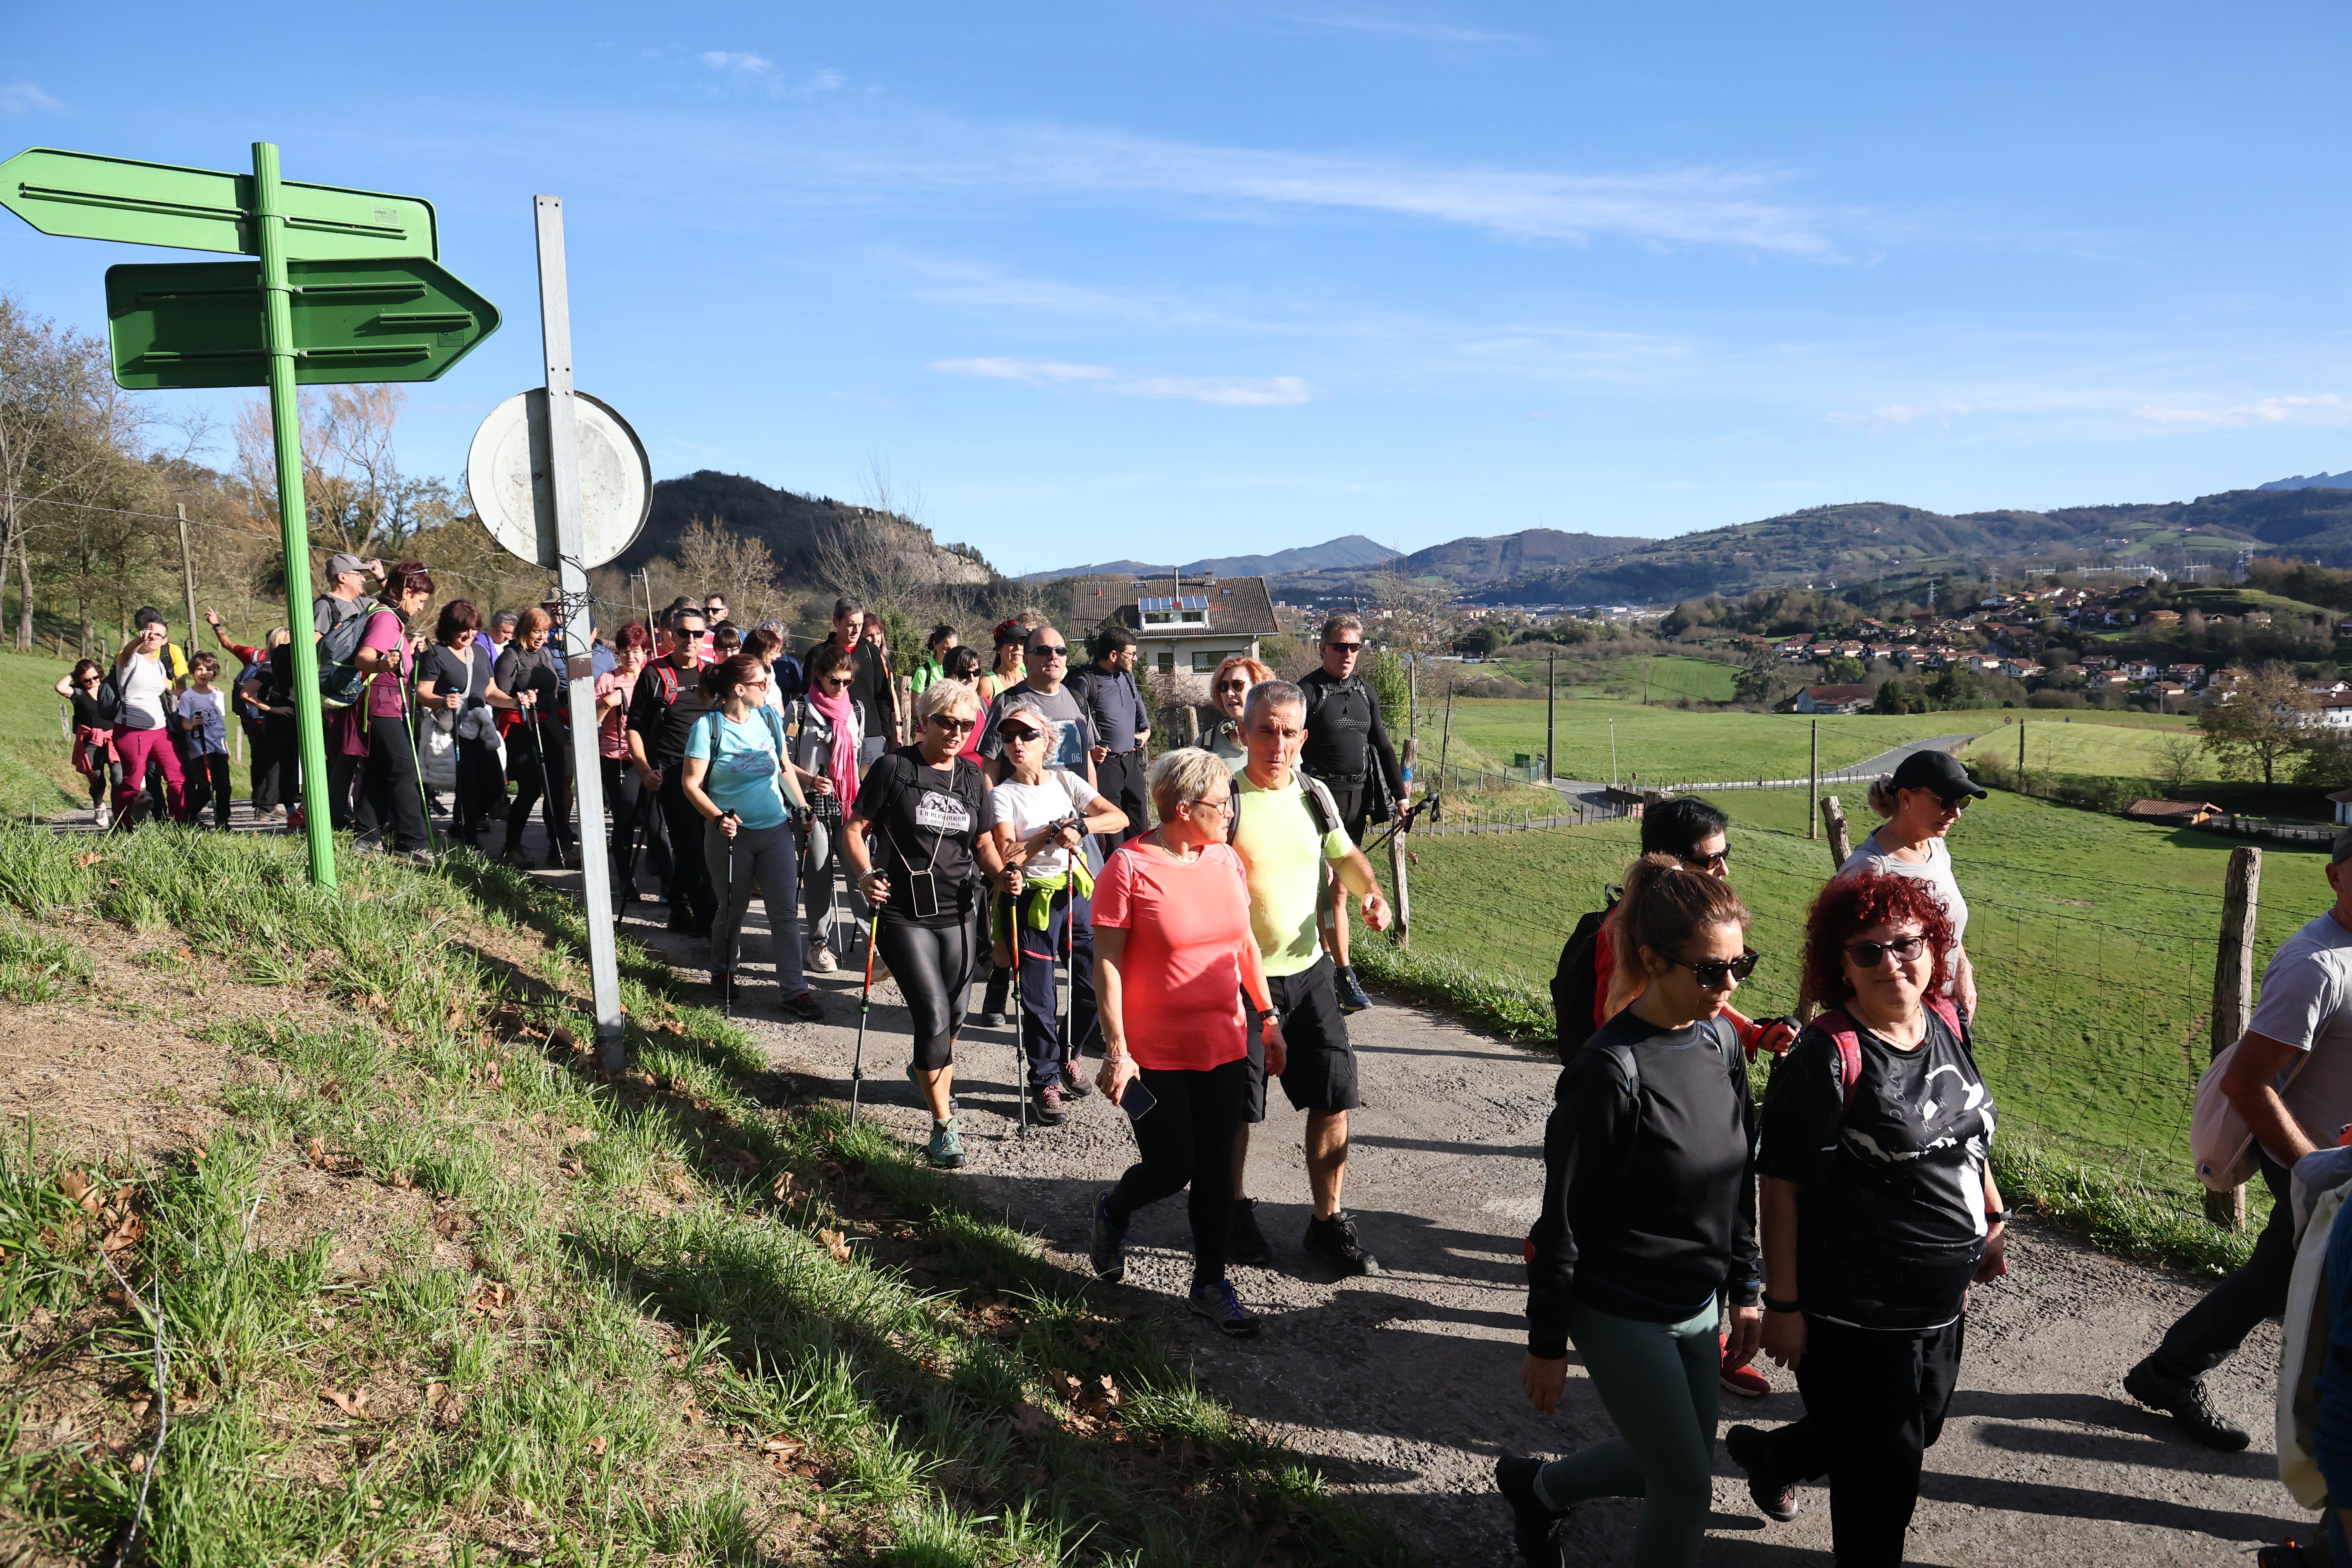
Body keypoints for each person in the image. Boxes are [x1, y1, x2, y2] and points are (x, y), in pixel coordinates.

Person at [1726, 871, 2007, 1564]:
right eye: (1867, 952)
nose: (1892, 963)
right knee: (1884, 1476)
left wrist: (1993, 1218)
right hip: (1857, 1308)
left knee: (1919, 1426)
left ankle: (1776, 1453)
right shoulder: (1828, 1056)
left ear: (1934, 947)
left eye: (1906, 944)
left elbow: (1967, 1129)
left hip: (1942, 1297)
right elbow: (1780, 1187)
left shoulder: (1943, 1018)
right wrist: (1782, 1305)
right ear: (1840, 966)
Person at [1498, 851, 1765, 1568]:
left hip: (1699, 1300)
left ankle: (1539, 1490)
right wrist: (1547, 1341)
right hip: (1621, 1306)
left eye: (1743, 966)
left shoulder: (1722, 1042)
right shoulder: (1609, 1072)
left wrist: (1747, 1287)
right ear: (1653, 959)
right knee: (1684, 1487)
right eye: (1712, 970)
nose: (1730, 984)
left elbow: (1740, 1179)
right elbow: (1562, 1220)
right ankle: (1540, 1491)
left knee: (1669, 1461)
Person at [2128, 826, 2352, 1451]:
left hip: (2340, 1161)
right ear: (2335, 876)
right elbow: (2249, 1084)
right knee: (2301, 1285)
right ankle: (2325, 1444)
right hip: (2318, 1160)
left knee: (2277, 1277)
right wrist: (2311, 1169)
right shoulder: (2318, 965)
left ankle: (2169, 1374)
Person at [1576, 796, 1796, 1402]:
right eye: (1710, 858)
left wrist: (1744, 1033)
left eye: (1727, 855)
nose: (1723, 869)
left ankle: (1709, 1341)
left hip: (1694, 1076)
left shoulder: (1703, 931)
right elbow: (1617, 1016)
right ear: (1671, 862)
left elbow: (1699, 1000)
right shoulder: (1626, 932)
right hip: (1644, 1100)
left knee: (1721, 1194)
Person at [1089, 747, 1284, 1336]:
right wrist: (1118, 1050)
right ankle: (1114, 1210)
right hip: (1155, 1056)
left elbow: (1244, 943)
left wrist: (1269, 1016)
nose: (1230, 815)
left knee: (1219, 1170)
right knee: (1172, 1166)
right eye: (1220, 805)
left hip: (1225, 1042)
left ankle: (1209, 1284)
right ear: (1182, 807)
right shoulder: (1127, 868)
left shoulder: (1224, 860)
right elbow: (1108, 967)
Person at [1226, 681, 1392, 1274]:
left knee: (1334, 1097)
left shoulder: (1314, 795)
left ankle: (1327, 1222)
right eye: (1265, 730)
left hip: (1308, 971)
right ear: (1242, 732)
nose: (1277, 743)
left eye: (1289, 731)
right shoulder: (1224, 799)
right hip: (1238, 981)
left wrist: (1371, 893)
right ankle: (1232, 1210)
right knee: (1236, 1110)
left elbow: (1343, 853)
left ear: (1303, 736)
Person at [842, 679, 1005, 1170]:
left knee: (955, 1016)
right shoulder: (896, 767)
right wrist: (867, 874)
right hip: (902, 911)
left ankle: (927, 1065)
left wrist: (1007, 875)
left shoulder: (975, 779)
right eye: (947, 722)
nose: (956, 731)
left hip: (959, 910)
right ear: (925, 721)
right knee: (933, 1015)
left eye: (966, 724)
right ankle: (943, 1127)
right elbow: (854, 829)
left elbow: (983, 845)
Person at [990, 706, 1129, 1124]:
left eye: (1027, 735)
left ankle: (1070, 1053)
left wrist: (1082, 827)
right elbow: (1007, 853)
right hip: (1033, 899)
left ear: (1045, 741)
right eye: (1009, 735)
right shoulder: (1003, 794)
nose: (1017, 743)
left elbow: (1117, 817)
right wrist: (1048, 834)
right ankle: (1045, 1079)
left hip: (1079, 892)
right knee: (1039, 998)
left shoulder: (1068, 781)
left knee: (1093, 986)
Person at [682, 652, 824, 1023]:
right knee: (733, 910)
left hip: (775, 829)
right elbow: (691, 784)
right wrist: (718, 818)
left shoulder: (768, 718)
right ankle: (724, 970)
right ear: (739, 689)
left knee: (785, 913)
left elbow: (781, 767)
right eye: (763, 684)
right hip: (731, 836)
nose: (769, 689)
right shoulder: (709, 727)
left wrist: (802, 807)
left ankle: (795, 991)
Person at [1297, 613, 1406, 1014]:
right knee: (1326, 886)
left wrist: (1401, 796)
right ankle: (1335, 974)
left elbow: (1383, 744)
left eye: (1354, 647)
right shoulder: (1307, 691)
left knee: (1340, 888)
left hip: (1357, 798)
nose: (1348, 654)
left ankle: (1331, 972)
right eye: (1340, 646)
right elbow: (1291, 746)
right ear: (1323, 648)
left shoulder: (1365, 691)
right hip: (1318, 799)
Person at [1839, 749, 1984, 1017]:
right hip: (1900, 1021)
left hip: (1947, 1012)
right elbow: (1846, 959)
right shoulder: (1871, 869)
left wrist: (1963, 972)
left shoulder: (1936, 849)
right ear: (1906, 797)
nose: (1956, 813)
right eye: (1946, 801)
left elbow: (1947, 923)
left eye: (1962, 802)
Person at [628, 606, 720, 935]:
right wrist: (644, 769)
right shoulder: (654, 674)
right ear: (671, 634)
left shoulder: (712, 675)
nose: (692, 640)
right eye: (685, 633)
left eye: (699, 634)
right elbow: (635, 726)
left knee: (703, 845)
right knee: (693, 848)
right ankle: (712, 925)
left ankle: (679, 908)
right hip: (670, 776)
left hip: (710, 774)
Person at [788, 640, 869, 973]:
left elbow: (860, 759)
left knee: (858, 871)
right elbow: (784, 763)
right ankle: (818, 944)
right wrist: (809, 781)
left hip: (847, 804)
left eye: (847, 681)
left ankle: (872, 944)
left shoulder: (857, 711)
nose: (840, 688)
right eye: (834, 680)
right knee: (819, 873)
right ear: (819, 676)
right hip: (811, 805)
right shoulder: (799, 710)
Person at [349, 562, 435, 858]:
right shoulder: (387, 619)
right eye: (421, 601)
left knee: (377, 770)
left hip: (379, 704)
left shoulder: (386, 615)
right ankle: (412, 844)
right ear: (407, 593)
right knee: (404, 770)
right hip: (381, 704)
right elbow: (364, 658)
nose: (422, 608)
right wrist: (382, 665)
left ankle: (367, 838)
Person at [488, 606, 574, 868]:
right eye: (537, 631)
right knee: (531, 790)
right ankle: (511, 848)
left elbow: (556, 689)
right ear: (525, 630)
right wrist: (519, 700)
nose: (542, 637)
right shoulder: (510, 657)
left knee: (557, 789)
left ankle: (559, 848)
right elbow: (498, 696)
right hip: (523, 730)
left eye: (546, 631)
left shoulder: (546, 654)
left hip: (551, 728)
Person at [976, 625, 1100, 791]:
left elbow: (1087, 761)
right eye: (1043, 650)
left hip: (1075, 813)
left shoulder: (1078, 700)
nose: (1054, 656)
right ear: (1026, 659)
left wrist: (1092, 807)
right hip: (1024, 811)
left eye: (1060, 650)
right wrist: (993, 812)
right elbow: (991, 768)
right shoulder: (1007, 701)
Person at [416, 600, 496, 847]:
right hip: (452, 730)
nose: (470, 634)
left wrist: (517, 702)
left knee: (494, 786)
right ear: (450, 627)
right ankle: (469, 841)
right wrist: (443, 701)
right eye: (464, 629)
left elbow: (491, 691)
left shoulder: (480, 652)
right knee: (468, 786)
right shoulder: (435, 655)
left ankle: (457, 830)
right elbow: (422, 692)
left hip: (480, 729)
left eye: (474, 629)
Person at [1069, 624, 1151, 856]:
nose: (1135, 659)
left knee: (1140, 828)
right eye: (1130, 654)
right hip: (1105, 767)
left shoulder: (1127, 675)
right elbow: (1074, 722)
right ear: (1113, 655)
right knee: (1112, 836)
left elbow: (1137, 702)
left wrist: (1146, 729)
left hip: (1131, 761)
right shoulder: (1085, 681)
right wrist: (1090, 749)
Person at [599, 624, 667, 896]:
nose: (631, 658)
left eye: (636, 651)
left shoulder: (654, 677)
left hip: (650, 758)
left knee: (656, 822)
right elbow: (590, 722)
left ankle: (668, 885)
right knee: (624, 816)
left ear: (646, 652)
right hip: (617, 756)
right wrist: (607, 703)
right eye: (625, 652)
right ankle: (625, 880)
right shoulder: (608, 680)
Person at [108, 614, 187, 826]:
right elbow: (126, 653)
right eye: (150, 633)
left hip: (160, 729)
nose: (154, 638)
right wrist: (138, 641)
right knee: (133, 781)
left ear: (164, 641)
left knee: (177, 777)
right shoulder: (130, 660)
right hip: (133, 730)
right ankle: (122, 825)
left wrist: (204, 691)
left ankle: (181, 824)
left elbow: (173, 690)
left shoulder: (160, 666)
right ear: (143, 633)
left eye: (159, 636)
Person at [57, 660, 120, 828]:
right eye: (87, 680)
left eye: (96, 677)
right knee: (98, 780)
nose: (93, 682)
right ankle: (99, 805)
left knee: (118, 778)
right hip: (91, 742)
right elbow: (60, 688)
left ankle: (118, 814)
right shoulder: (78, 693)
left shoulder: (109, 690)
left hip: (113, 740)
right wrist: (73, 674)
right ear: (81, 680)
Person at [178, 654, 234, 829]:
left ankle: (223, 822)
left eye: (208, 670)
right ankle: (188, 815)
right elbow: (184, 723)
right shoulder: (188, 697)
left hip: (219, 746)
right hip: (200, 747)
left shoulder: (218, 695)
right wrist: (192, 725)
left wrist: (226, 746)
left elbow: (220, 723)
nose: (204, 673)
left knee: (224, 787)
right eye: (199, 670)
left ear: (215, 673)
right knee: (207, 786)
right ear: (193, 672)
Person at [1204, 655, 1270, 771]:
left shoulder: (1279, 736)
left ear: (1258, 688)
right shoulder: (1206, 743)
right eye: (1224, 686)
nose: (1229, 693)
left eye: (1238, 685)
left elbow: (1297, 786)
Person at [977, 619, 1027, 708]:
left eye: (1022, 643)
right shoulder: (987, 684)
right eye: (1012, 643)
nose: (1018, 647)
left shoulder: (1030, 680)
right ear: (999, 648)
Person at [911, 623, 957, 697]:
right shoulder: (924, 673)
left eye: (954, 649)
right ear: (935, 644)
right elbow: (916, 708)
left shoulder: (960, 672)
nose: (950, 653)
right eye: (946, 649)